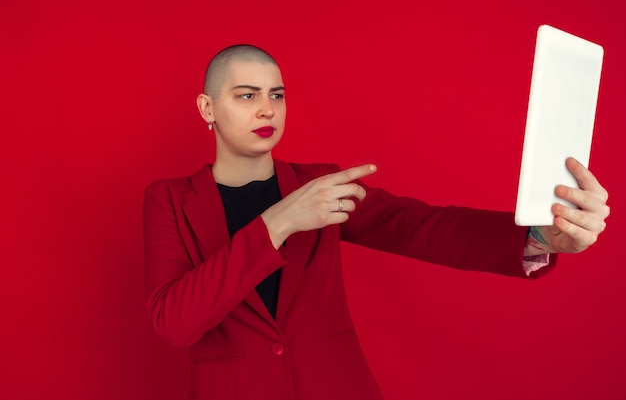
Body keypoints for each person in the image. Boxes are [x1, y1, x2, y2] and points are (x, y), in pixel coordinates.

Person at [143, 45, 610, 400]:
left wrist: (536, 236)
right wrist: (278, 222)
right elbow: (174, 323)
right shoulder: (169, 200)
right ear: (207, 109)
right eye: (247, 95)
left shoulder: (324, 183)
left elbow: (421, 227)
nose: (267, 109)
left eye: (276, 95)